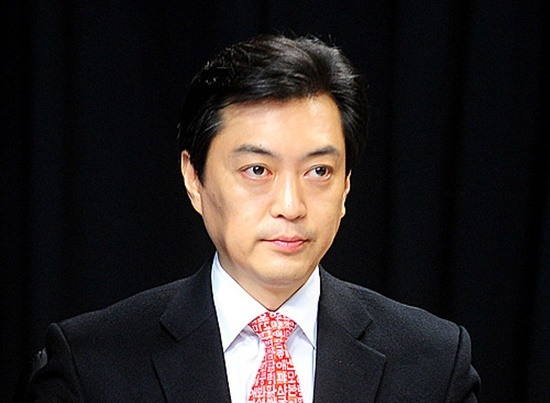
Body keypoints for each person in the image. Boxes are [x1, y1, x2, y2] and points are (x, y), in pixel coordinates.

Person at [23, 34, 480, 402]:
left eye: (319, 171)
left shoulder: (434, 363)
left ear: (346, 186)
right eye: (258, 170)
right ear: (194, 178)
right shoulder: (92, 365)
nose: (291, 205)